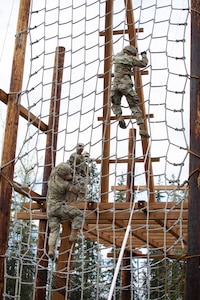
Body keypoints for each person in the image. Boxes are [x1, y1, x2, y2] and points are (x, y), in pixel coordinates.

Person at [110, 45, 150, 138]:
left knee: (116, 104)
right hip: (126, 85)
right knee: (134, 106)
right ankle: (142, 129)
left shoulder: (116, 57)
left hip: (115, 85)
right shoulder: (130, 59)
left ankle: (119, 117)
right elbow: (144, 63)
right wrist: (143, 55)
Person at [47, 162, 84, 260]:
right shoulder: (64, 185)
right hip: (59, 207)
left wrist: (69, 170)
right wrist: (74, 179)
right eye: (66, 175)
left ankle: (51, 249)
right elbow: (77, 190)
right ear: (62, 175)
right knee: (79, 214)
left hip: (50, 208)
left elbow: (60, 167)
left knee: (54, 230)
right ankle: (73, 234)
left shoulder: (53, 176)